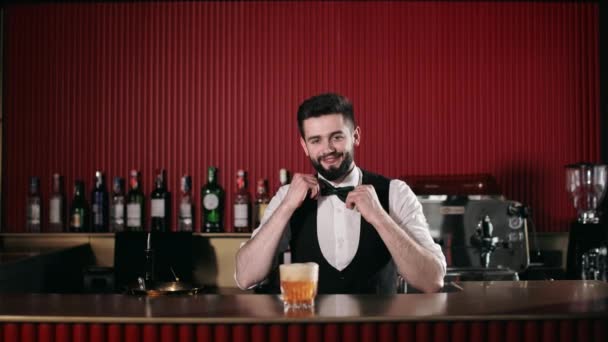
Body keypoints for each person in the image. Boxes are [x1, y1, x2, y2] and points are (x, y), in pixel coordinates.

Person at [235, 93, 446, 294]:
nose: (327, 149)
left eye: (336, 137)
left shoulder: (396, 193)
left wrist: (380, 217)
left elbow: (432, 280)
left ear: (355, 136)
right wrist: (286, 207)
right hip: (311, 329)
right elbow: (245, 277)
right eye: (316, 140)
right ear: (304, 146)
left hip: (380, 330)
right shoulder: (286, 197)